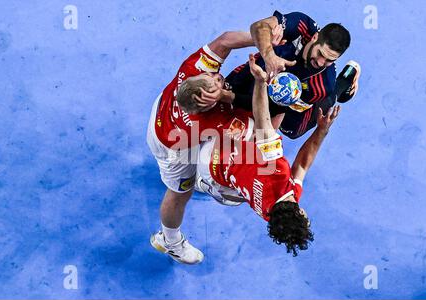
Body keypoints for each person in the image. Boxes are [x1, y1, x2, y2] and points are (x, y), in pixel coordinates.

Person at [148, 28, 284, 265]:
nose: (219, 79)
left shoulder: (192, 70)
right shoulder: (215, 121)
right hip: (175, 151)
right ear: (207, 106)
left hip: (161, 115)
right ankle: (169, 241)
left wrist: (265, 44)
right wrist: (280, 102)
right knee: (180, 194)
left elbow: (225, 40)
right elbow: (263, 131)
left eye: (213, 77)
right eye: (215, 86)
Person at [196, 54, 341, 256]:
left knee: (260, 124)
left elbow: (263, 120)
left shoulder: (277, 173)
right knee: (233, 196)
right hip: (219, 177)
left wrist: (261, 83)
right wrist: (321, 132)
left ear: (300, 211)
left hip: (212, 151)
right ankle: (202, 184)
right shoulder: (270, 214)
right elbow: (301, 166)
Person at [223, 11, 357, 136]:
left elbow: (272, 109)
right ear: (314, 37)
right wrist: (269, 55)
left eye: (329, 60)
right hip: (268, 68)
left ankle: (345, 81)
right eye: (320, 54)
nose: (321, 62)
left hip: (295, 101)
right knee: (232, 87)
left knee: (291, 130)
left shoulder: (322, 85)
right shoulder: (302, 25)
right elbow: (259, 26)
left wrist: (229, 97)